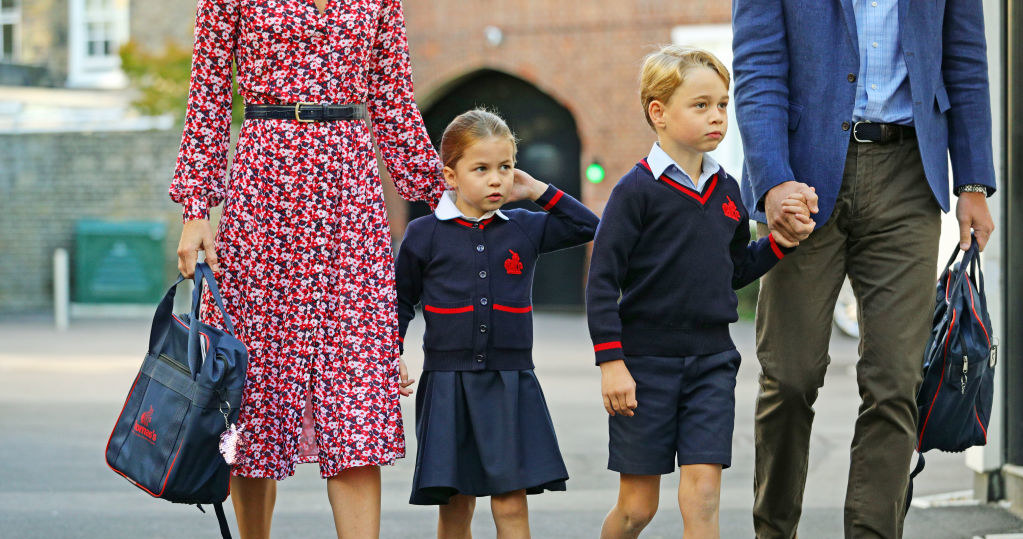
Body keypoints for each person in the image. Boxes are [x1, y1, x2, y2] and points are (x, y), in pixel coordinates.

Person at [169, 0, 445, 537]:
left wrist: (445, 201)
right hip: (263, 192)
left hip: (350, 195)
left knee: (356, 385)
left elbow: (393, 101)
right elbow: (207, 93)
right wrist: (196, 208)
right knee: (255, 386)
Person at [731, 0, 997, 536]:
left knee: (895, 381)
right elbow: (758, 65)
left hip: (908, 175)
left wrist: (972, 181)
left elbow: (965, 59)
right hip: (803, 175)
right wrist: (773, 178)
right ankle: (773, 530)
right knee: (789, 376)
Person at [585, 46, 814, 539]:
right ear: (659, 112)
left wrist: (778, 243)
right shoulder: (635, 191)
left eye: (723, 105)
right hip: (643, 365)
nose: (717, 116)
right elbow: (601, 281)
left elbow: (733, 269)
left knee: (704, 499)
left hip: (711, 361)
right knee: (636, 509)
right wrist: (611, 362)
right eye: (702, 105)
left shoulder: (729, 189)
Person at [395, 109, 599, 538]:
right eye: (481, 169)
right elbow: (400, 301)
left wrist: (538, 190)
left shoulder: (523, 228)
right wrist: (390, 355)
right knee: (455, 506)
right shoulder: (423, 234)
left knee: (511, 502)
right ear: (450, 176)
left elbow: (588, 226)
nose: (496, 179)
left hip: (510, 383)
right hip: (447, 383)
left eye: (505, 168)